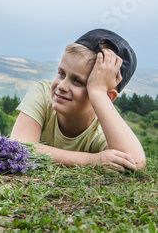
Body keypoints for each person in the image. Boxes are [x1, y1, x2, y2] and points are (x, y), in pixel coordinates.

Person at [10, 29, 146, 171]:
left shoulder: (102, 130)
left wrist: (98, 93)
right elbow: (19, 147)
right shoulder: (42, 92)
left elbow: (134, 162)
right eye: (62, 73)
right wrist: (91, 160)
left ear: (107, 97)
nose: (61, 86)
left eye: (78, 81)